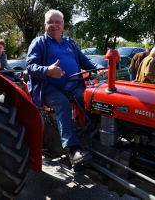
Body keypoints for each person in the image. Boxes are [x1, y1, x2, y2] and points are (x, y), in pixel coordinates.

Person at [26, 9, 104, 167]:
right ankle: (73, 150)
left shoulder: (70, 43)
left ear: (63, 25)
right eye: (51, 22)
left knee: (93, 99)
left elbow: (85, 61)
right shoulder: (39, 42)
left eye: (58, 22)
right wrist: (47, 70)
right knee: (62, 103)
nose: (54, 25)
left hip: (73, 84)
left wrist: (98, 68)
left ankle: (93, 138)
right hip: (48, 87)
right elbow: (30, 66)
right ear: (45, 25)